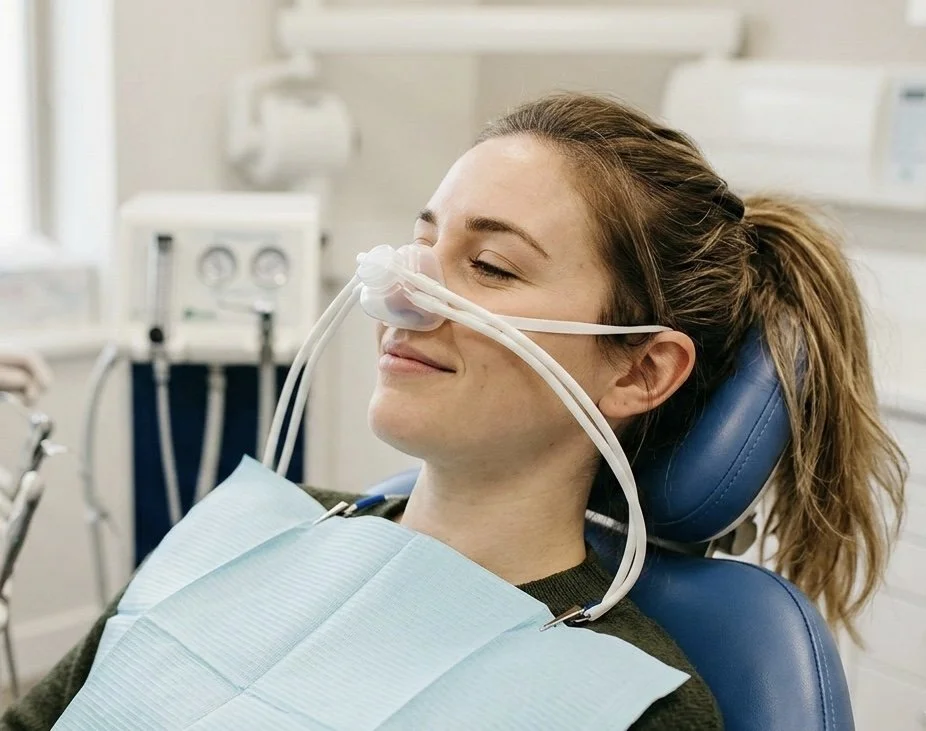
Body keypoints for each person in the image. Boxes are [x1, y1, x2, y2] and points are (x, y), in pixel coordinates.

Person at [2, 93, 906, 730]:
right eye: (424, 240)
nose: (404, 291)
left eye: (493, 267)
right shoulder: (250, 533)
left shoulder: (632, 704)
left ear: (639, 372)